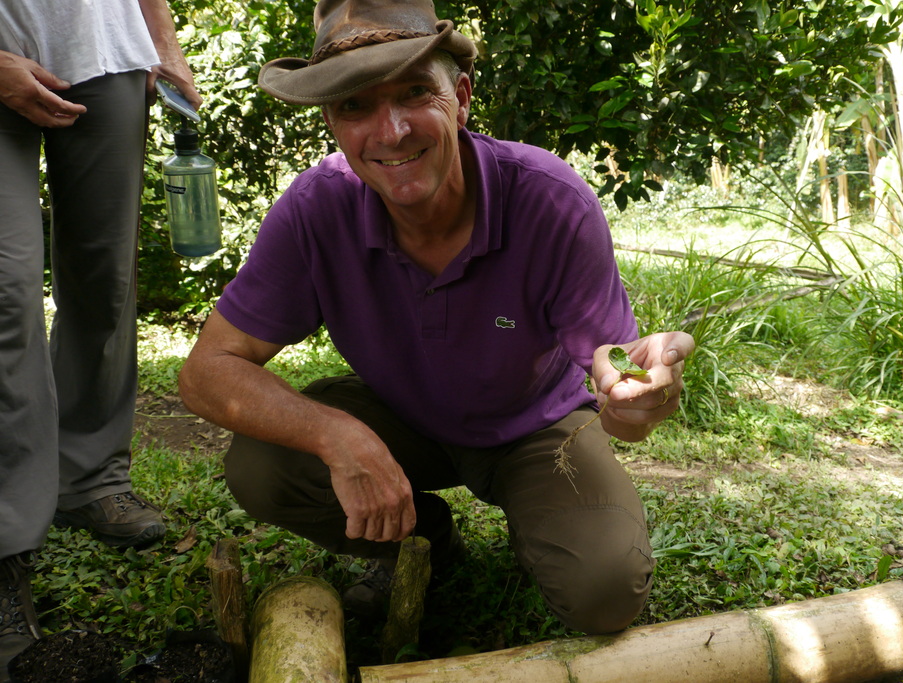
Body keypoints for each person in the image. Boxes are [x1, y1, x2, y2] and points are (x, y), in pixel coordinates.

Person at [178, 0, 694, 636]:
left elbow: (619, 392)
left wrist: (639, 401)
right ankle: (425, 543)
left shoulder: (549, 198)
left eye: (415, 93)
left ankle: (539, 522)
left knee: (605, 592)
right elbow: (205, 372)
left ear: (463, 96)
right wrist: (339, 437)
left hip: (537, 426)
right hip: (405, 420)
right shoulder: (316, 209)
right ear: (333, 123)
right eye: (355, 106)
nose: (390, 131)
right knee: (261, 466)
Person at [0, 0, 202, 675]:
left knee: (105, 277)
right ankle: (4, 544)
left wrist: (164, 46)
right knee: (8, 290)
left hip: (109, 49)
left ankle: (88, 475)